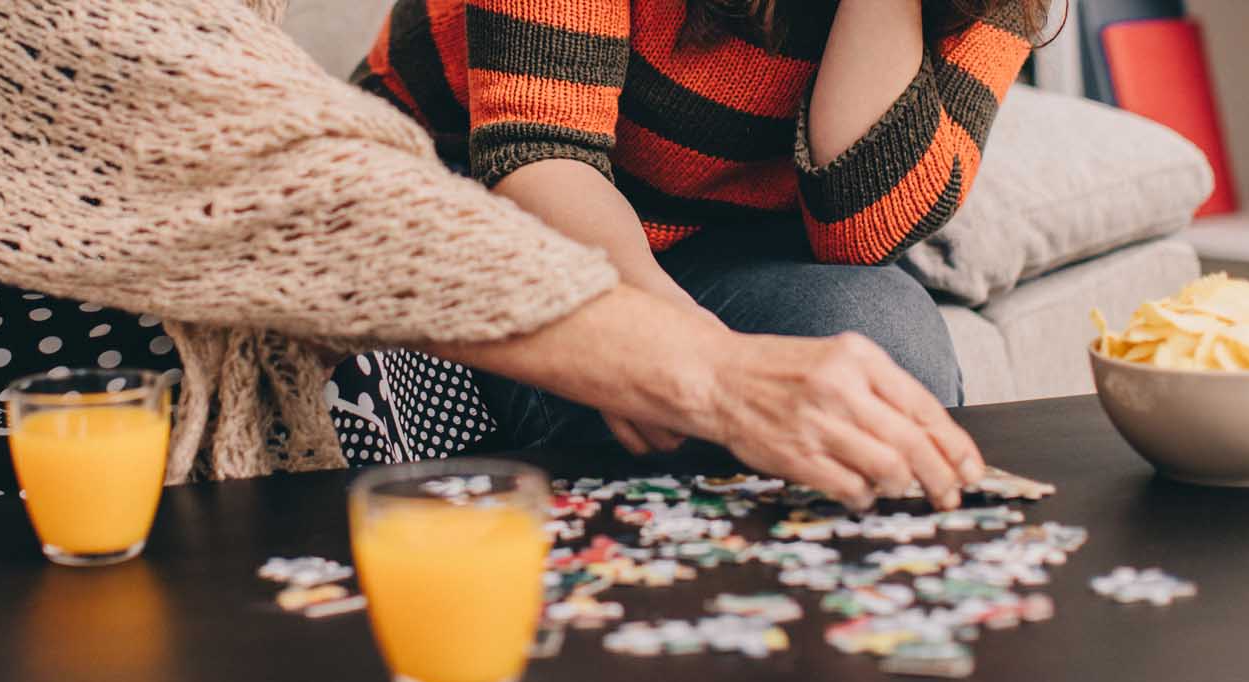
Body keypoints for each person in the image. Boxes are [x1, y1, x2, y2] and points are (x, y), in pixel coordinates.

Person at [0, 0, 982, 528]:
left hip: (10, 274)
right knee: (272, 478)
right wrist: (700, 366)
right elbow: (256, 150)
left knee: (337, 413)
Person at [355, 0, 1045, 450]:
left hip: (716, 237)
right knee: (665, 417)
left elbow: (867, 231)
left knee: (888, 352)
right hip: (482, 210)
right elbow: (540, 155)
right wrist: (692, 360)